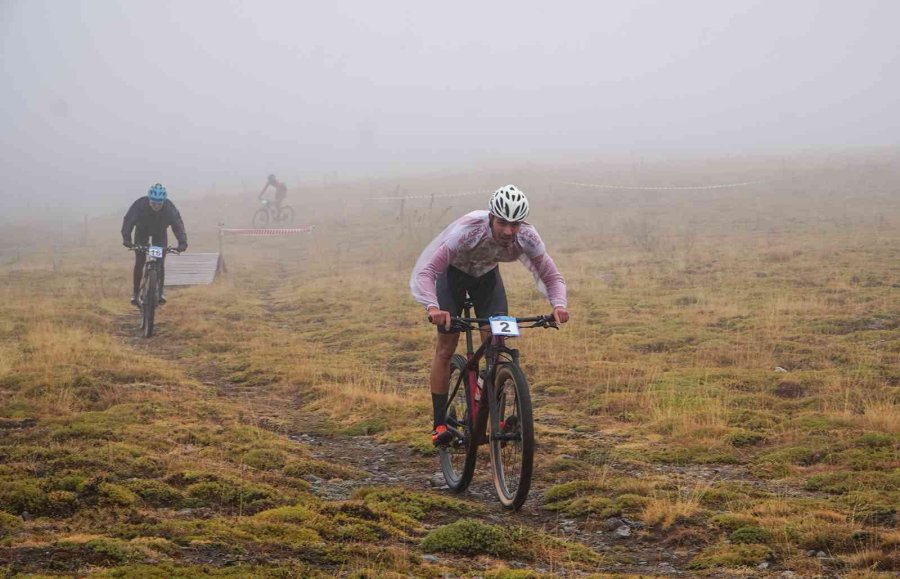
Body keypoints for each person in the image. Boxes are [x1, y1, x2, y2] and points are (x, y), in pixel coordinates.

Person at [410, 184, 569, 446]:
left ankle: (493, 414)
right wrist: (433, 308)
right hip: (452, 276)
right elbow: (428, 271)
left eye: (515, 224)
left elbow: (551, 275)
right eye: (502, 223)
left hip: (486, 277)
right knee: (446, 347)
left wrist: (559, 305)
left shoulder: (528, 237)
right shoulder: (467, 231)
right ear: (491, 218)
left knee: (496, 342)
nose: (508, 231)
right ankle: (439, 424)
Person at [121, 183, 188, 306]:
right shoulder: (140, 204)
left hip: (159, 233)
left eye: (159, 204)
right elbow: (128, 220)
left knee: (160, 262)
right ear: (149, 200)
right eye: (153, 203)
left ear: (163, 202)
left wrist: (182, 242)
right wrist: (127, 239)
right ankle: (135, 293)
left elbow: (178, 225)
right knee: (140, 261)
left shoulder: (169, 208)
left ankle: (160, 292)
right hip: (142, 232)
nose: (156, 206)